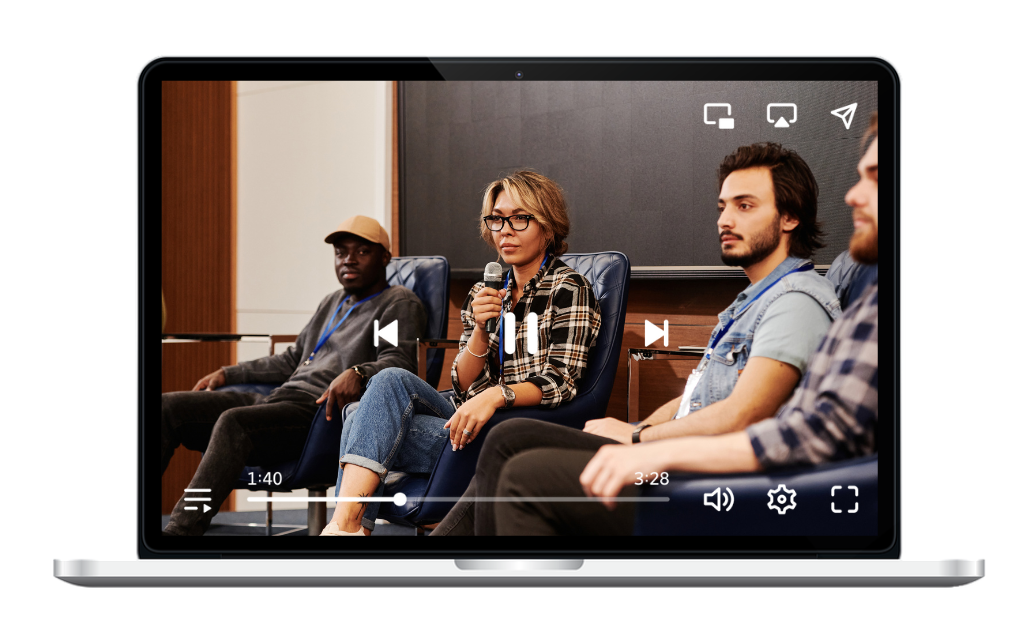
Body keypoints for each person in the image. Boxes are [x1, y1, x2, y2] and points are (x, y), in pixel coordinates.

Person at [488, 115, 881, 535]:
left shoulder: (796, 302)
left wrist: (640, 444)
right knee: (510, 438)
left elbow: (741, 416)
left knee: (526, 475)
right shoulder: (750, 302)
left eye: (744, 206)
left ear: (789, 218)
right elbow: (694, 396)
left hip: (716, 483)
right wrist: (639, 429)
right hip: (683, 453)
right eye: (722, 207)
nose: (725, 220)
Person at [319, 170, 602, 536]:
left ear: (547, 226)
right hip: (470, 414)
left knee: (361, 418)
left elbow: (560, 381)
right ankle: (349, 527)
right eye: (497, 219)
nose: (505, 230)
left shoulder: (569, 288)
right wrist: (481, 332)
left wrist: (496, 397)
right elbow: (465, 382)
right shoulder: (485, 291)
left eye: (519, 218)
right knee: (384, 382)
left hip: (520, 426)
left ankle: (346, 530)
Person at [161, 215, 426, 536]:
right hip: (278, 400)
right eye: (341, 252)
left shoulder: (395, 302)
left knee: (234, 423)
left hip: (318, 414)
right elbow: (291, 360)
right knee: (167, 408)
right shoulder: (333, 301)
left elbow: (397, 362)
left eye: (361, 252)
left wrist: (358, 372)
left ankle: (180, 531)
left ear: (385, 257)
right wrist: (227, 373)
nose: (348, 260)